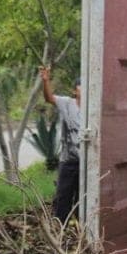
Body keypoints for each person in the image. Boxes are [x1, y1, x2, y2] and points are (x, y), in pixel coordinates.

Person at [39, 65, 81, 221]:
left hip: (85, 163)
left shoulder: (93, 108)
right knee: (63, 197)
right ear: (74, 91)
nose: (84, 88)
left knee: (81, 201)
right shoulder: (67, 103)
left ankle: (79, 233)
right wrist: (45, 81)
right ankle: (60, 230)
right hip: (68, 161)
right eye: (80, 86)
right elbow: (49, 98)